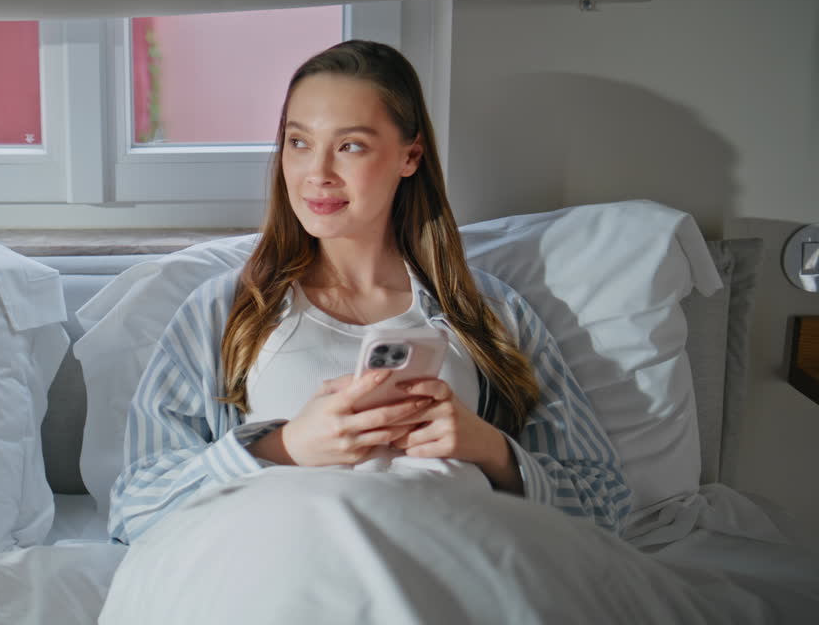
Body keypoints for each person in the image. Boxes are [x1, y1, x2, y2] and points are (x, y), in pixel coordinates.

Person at [107, 40, 630, 545]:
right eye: (299, 142)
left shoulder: (490, 314)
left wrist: (492, 451)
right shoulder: (225, 314)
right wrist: (283, 448)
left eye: (350, 146)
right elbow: (137, 510)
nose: (317, 174)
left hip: (450, 570)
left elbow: (606, 509)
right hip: (293, 577)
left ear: (411, 157)